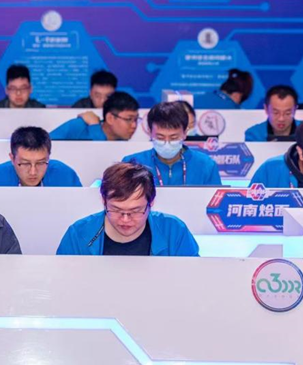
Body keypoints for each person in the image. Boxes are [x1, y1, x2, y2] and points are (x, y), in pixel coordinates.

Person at [56, 162, 199, 256]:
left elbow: (193, 281)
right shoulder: (78, 234)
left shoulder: (174, 231)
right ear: (103, 201)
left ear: (151, 203)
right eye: (116, 210)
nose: (125, 219)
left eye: (135, 211)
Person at [122, 102, 222, 186]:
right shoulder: (132, 164)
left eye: (174, 137)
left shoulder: (206, 165)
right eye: (160, 137)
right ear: (150, 132)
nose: (167, 143)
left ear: (185, 133)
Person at [0, 127, 81, 187]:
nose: (33, 172)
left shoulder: (66, 176)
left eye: (40, 163)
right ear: (12, 158)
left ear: (48, 157)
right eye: (25, 163)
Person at [51, 92, 139, 141]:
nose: (134, 125)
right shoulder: (78, 126)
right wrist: (95, 128)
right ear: (110, 118)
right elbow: (45, 147)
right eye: (129, 119)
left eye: (136, 119)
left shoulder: (123, 142)